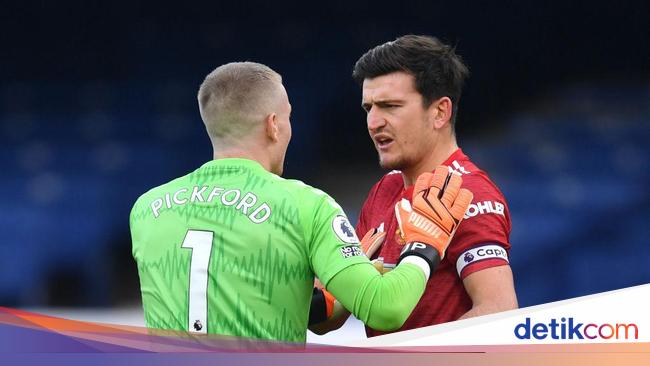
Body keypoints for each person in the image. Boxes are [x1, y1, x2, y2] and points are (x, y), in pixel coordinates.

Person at [129, 61, 473, 343]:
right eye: (289, 117)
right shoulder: (305, 206)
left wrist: (328, 295)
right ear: (273, 126)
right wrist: (424, 246)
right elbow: (386, 307)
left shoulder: (146, 209)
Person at [311, 35, 518, 337]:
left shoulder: (468, 193)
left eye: (390, 106)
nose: (373, 122)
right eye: (368, 108)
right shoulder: (384, 190)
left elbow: (498, 311)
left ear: (440, 112)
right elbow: (328, 321)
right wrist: (324, 297)